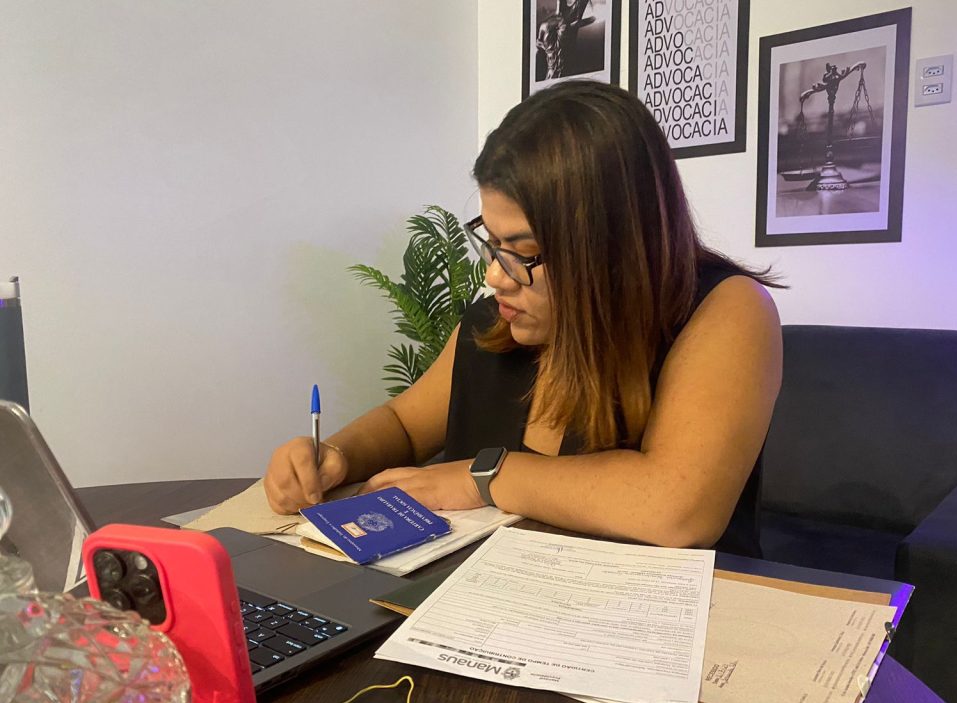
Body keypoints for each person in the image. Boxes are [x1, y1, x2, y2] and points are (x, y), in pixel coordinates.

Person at [264, 80, 782, 557]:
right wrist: (337, 455)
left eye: (525, 250)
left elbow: (678, 510)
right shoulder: (497, 322)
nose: (495, 275)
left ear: (612, 249)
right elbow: (403, 423)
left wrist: (484, 478)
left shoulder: (728, 310)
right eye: (492, 241)